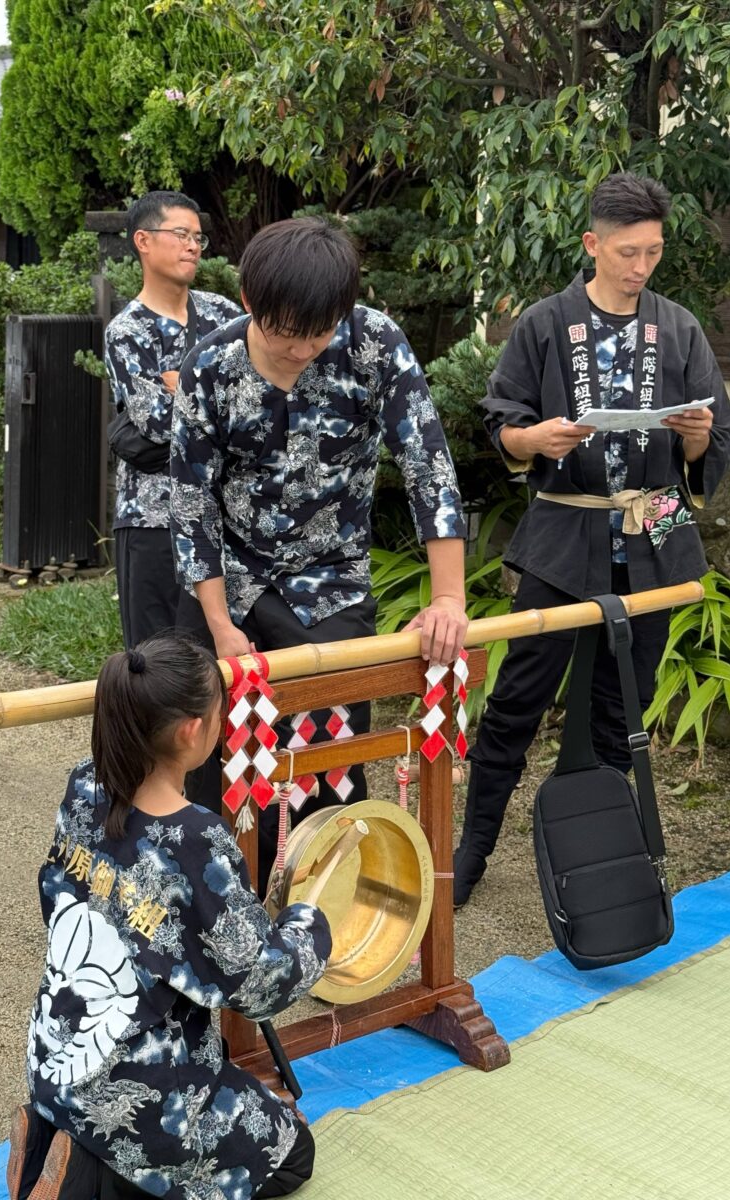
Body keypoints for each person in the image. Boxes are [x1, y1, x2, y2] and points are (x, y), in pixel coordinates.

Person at [452, 172, 730, 907]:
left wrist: (700, 438)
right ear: (593, 244)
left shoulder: (678, 327)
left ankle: (610, 859)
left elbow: (718, 439)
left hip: (659, 519)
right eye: (628, 251)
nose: (641, 267)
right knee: (519, 695)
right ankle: (472, 849)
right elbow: (502, 421)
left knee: (624, 704)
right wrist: (532, 435)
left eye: (653, 252)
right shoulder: (547, 322)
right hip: (566, 514)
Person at [169, 216, 469, 893]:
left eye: (320, 332)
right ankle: (215, 905)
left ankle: (318, 904)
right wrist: (219, 624)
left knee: (328, 756)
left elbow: (428, 467)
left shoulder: (373, 343)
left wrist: (448, 597)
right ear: (248, 300)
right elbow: (191, 506)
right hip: (228, 583)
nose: (303, 349)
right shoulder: (211, 366)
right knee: (208, 752)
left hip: (328, 585)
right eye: (285, 333)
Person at [7, 636, 331, 1199]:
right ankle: (91, 1179)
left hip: (56, 1059)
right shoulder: (196, 842)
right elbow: (256, 988)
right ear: (190, 730)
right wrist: (309, 925)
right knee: (292, 1152)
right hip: (142, 1092)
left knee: (239, 1101)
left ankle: (51, 1141)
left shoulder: (84, 786)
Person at [105, 191, 242, 650]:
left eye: (198, 237)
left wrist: (178, 383)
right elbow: (157, 424)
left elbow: (252, 402)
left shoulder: (224, 316)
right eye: (180, 234)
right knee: (157, 661)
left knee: (220, 659)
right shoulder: (127, 332)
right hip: (152, 519)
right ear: (143, 241)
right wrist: (207, 393)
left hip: (225, 516)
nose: (193, 246)